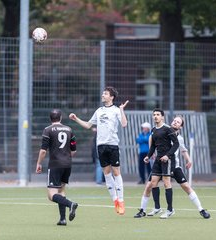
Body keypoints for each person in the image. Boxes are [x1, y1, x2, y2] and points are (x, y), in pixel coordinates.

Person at [134, 115, 211, 219]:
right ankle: (147, 209)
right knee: (149, 186)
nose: (175, 122)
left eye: (178, 122)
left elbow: (183, 150)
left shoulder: (179, 138)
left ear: (181, 127)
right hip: (161, 164)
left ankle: (201, 210)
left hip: (174, 165)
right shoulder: (163, 130)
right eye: (174, 120)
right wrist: (150, 153)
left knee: (186, 187)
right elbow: (152, 138)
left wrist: (189, 160)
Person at [69, 86, 128, 215]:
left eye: (105, 94)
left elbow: (124, 124)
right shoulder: (99, 111)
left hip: (113, 145)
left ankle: (122, 201)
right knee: (107, 174)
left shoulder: (116, 110)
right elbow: (88, 125)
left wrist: (122, 110)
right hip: (101, 146)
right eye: (103, 93)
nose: (103, 95)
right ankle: (115, 201)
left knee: (116, 172)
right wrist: (76, 119)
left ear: (111, 97)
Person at [36, 109, 78, 226]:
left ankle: (70, 204)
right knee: (61, 190)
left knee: (51, 195)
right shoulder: (69, 130)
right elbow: (73, 151)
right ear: (60, 118)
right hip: (67, 164)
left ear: (50, 119)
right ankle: (62, 219)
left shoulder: (48, 130)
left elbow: (43, 151)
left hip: (55, 164)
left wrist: (39, 163)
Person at [142, 108, 179, 219]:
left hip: (167, 159)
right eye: (154, 114)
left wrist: (167, 155)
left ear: (162, 117)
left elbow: (176, 144)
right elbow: (153, 146)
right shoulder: (153, 130)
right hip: (158, 159)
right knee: (153, 182)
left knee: (167, 183)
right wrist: (148, 156)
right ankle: (157, 208)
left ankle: (170, 210)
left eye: (158, 114)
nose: (155, 116)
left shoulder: (168, 129)